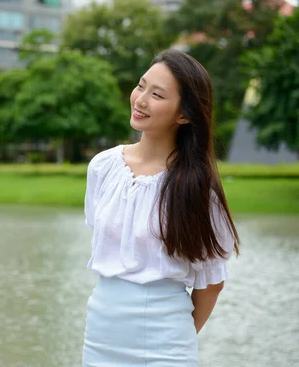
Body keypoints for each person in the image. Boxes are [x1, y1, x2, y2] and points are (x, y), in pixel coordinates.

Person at [82, 49, 241, 366]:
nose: (140, 100)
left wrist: (175, 339)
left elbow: (211, 285)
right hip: (101, 333)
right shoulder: (103, 167)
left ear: (183, 114)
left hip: (164, 343)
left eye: (157, 95)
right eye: (141, 86)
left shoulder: (197, 187)